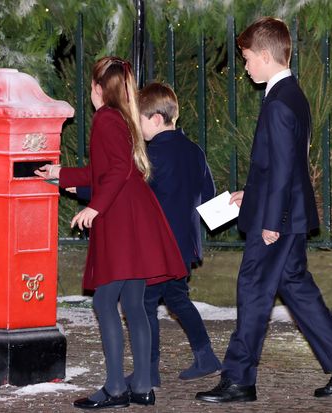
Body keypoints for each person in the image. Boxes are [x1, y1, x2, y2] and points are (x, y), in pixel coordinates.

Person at [195, 17, 332, 404]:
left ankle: (239, 380)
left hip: (278, 220)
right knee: (296, 287)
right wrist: (251, 195)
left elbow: (283, 169)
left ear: (263, 55)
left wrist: (270, 219)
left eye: (245, 59)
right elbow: (283, 165)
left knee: (253, 290)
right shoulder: (292, 93)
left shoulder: (278, 101)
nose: (244, 67)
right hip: (287, 213)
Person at [35, 56, 187, 410]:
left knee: (105, 302)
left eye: (92, 85)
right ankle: (144, 388)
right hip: (136, 215)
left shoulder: (105, 118)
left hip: (121, 218)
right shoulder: (124, 118)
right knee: (133, 304)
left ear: (98, 89)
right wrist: (62, 174)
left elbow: (116, 171)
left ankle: (117, 389)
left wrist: (94, 207)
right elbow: (108, 170)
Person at [138, 82, 221, 386]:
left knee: (145, 304)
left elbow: (134, 197)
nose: (140, 129)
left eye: (141, 121)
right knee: (178, 299)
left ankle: (149, 370)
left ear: (156, 119)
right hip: (184, 245)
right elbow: (209, 195)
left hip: (155, 247)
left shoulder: (150, 155)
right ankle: (205, 356)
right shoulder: (194, 151)